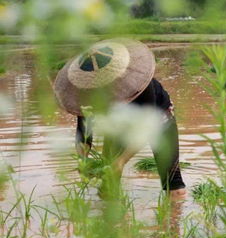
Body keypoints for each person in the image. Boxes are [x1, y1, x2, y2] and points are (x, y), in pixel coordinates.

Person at [53, 38, 186, 198]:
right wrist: (83, 160)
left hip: (157, 120)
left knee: (174, 184)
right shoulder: (88, 93)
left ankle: (173, 219)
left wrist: (121, 160)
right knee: (108, 185)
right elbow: (84, 130)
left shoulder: (141, 86)